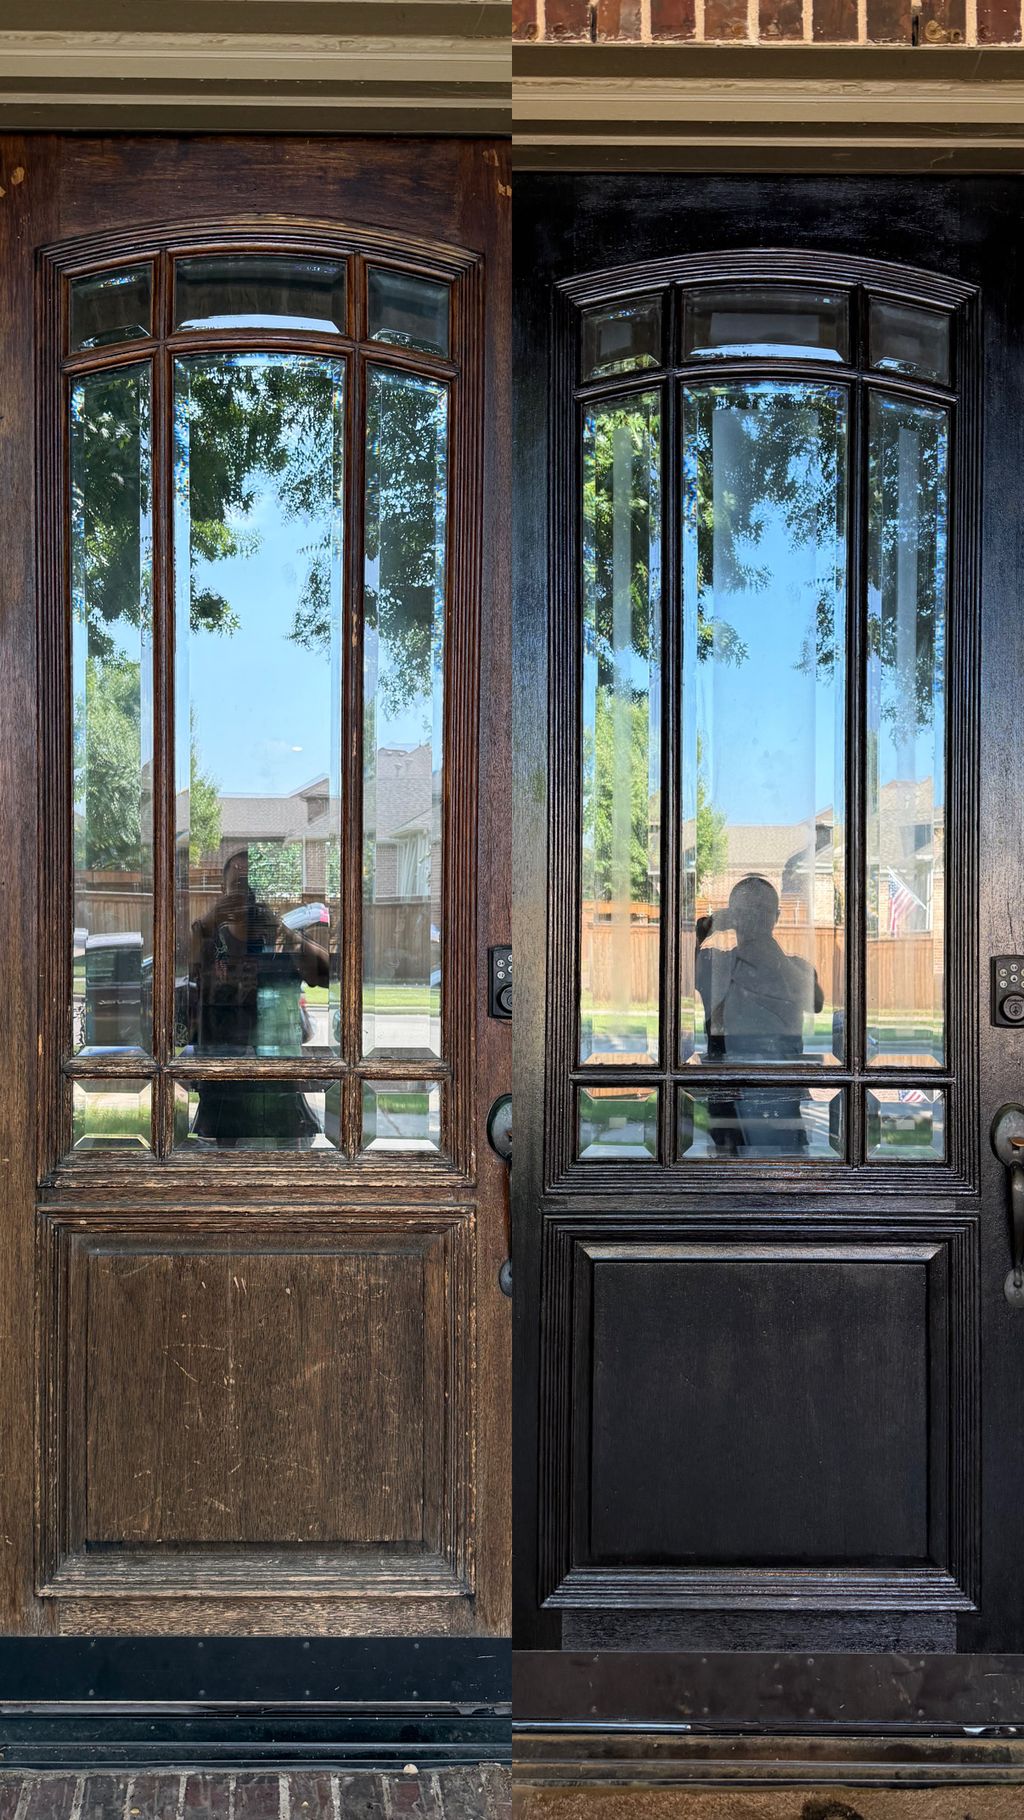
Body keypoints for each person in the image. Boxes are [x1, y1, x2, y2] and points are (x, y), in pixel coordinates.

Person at [187, 847, 330, 1148]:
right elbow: (182, 969)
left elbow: (325, 973)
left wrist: (285, 932)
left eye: (253, 887)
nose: (246, 896)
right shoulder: (211, 942)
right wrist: (212, 919)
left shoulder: (278, 941)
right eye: (238, 886)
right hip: (222, 1090)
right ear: (223, 891)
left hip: (278, 1088)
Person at [695, 874, 823, 1155]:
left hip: (782, 1104)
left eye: (762, 912)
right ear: (733, 917)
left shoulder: (796, 968)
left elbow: (814, 1002)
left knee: (789, 1186)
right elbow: (678, 968)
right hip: (728, 1106)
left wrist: (770, 954)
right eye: (745, 912)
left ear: (775, 916)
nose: (753, 920)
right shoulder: (716, 963)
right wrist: (710, 926)